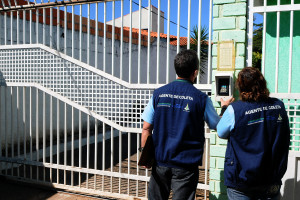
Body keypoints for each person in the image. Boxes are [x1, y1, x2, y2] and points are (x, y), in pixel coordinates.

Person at [141, 49, 232, 200]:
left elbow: (146, 128)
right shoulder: (201, 99)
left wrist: (145, 155)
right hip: (186, 165)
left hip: (160, 161)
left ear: (176, 69)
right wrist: (224, 107)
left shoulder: (158, 94)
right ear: (195, 72)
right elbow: (218, 125)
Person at [217, 67, 290, 200]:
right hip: (271, 178)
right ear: (262, 83)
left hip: (242, 181)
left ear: (241, 86)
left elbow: (221, 132)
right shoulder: (279, 106)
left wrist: (224, 108)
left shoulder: (235, 110)